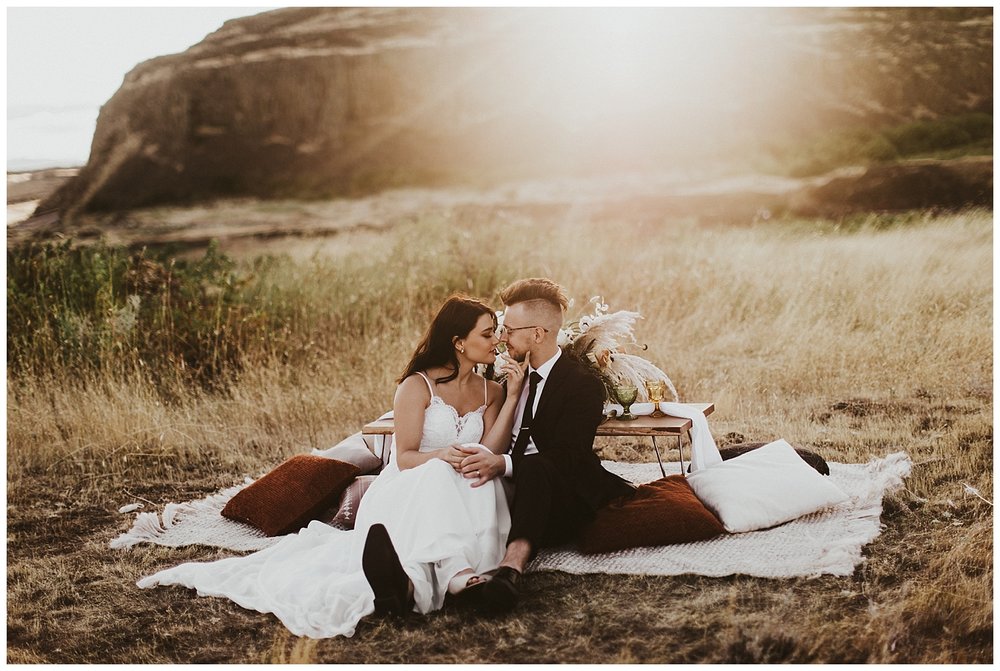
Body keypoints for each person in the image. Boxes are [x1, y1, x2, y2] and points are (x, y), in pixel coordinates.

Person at [137, 295, 528, 638]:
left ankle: (425, 587)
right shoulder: (416, 386)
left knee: (481, 477)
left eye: (496, 332)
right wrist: (442, 456)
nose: (497, 340)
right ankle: (461, 581)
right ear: (459, 343)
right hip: (412, 485)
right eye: (488, 333)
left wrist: (511, 398)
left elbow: (490, 452)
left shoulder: (491, 391)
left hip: (466, 482)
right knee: (443, 475)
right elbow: (405, 457)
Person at [454, 278, 635, 613]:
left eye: (509, 329)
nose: (501, 338)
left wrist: (504, 464)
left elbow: (569, 457)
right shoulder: (501, 377)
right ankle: (444, 574)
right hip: (508, 487)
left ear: (537, 334)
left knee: (536, 466)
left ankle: (510, 570)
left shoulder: (582, 385)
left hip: (560, 491)